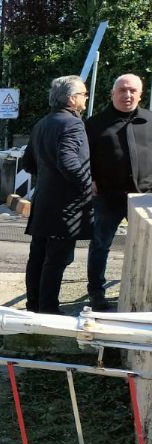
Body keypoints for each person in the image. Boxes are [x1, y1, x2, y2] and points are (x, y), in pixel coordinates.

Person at [19, 75, 93, 315]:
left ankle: (34, 305)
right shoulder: (73, 124)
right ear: (71, 99)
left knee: (38, 257)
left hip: (43, 201)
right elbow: (68, 161)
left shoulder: (42, 123)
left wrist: (48, 175)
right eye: (83, 94)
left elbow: (28, 163)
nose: (86, 98)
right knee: (57, 260)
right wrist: (88, 185)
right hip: (65, 205)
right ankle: (48, 309)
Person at [84, 74, 152, 311]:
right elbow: (83, 156)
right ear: (113, 94)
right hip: (107, 196)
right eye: (122, 90)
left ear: (140, 94)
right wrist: (89, 178)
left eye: (133, 91)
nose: (127, 95)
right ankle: (96, 294)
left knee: (149, 246)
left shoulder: (150, 121)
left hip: (145, 197)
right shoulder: (95, 124)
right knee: (100, 245)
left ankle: (146, 293)